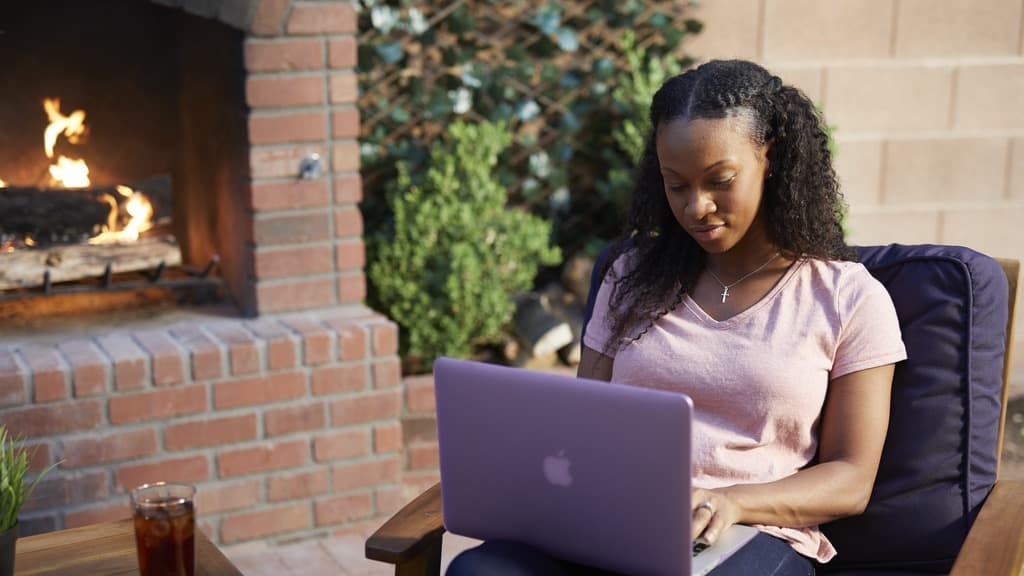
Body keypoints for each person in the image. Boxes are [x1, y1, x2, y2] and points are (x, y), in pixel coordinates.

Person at [447, 59, 906, 576]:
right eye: (676, 185)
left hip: (747, 534)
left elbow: (852, 478)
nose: (696, 207)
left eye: (719, 180)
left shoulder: (847, 298)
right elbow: (579, 426)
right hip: (615, 519)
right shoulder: (632, 277)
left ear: (771, 159)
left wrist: (732, 501)